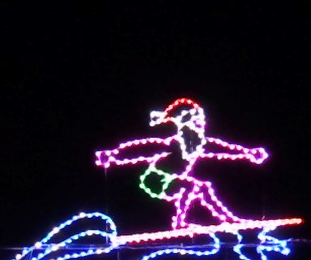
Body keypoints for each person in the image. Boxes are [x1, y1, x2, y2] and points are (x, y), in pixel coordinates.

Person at [94, 98, 270, 230]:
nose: (199, 125)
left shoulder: (201, 144)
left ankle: (227, 219)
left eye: (200, 121)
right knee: (192, 186)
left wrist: (249, 153)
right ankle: (181, 222)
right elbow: (142, 148)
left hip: (173, 180)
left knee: (201, 187)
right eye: (195, 121)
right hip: (156, 179)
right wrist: (113, 155)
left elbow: (224, 148)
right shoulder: (172, 144)